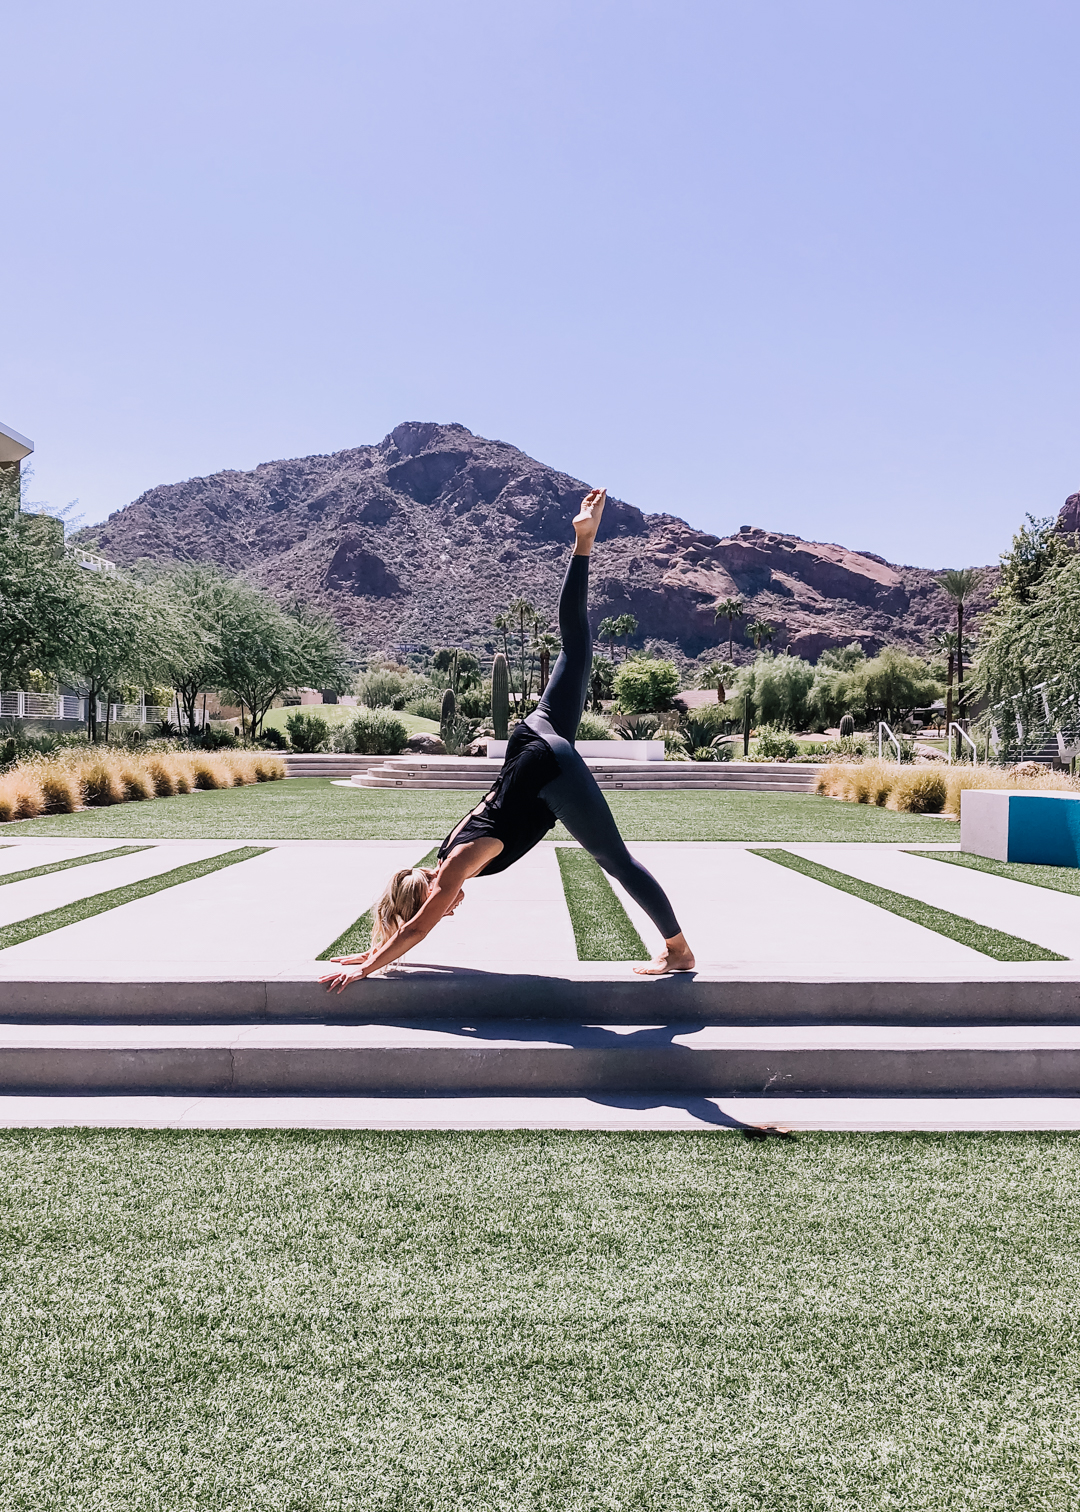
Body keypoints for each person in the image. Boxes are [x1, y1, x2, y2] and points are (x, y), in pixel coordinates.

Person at [320, 489, 696, 992]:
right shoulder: (444, 854)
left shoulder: (453, 866)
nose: (451, 910)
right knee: (576, 644)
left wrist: (368, 967)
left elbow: (418, 926)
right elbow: (414, 920)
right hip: (531, 736)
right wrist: (373, 950)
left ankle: (679, 950)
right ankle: (583, 542)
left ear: (429, 890)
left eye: (443, 906)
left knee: (615, 860)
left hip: (545, 764)